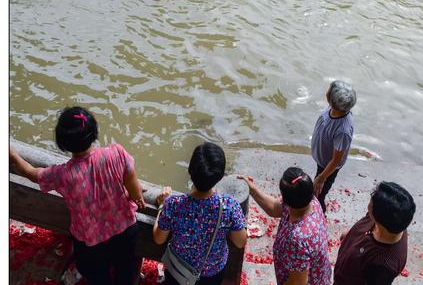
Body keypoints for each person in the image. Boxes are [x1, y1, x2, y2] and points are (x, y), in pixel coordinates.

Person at [9, 106, 145, 285]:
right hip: (124, 229)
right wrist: (137, 197)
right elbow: (131, 181)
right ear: (94, 132)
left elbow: (33, 173)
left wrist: (13, 155)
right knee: (125, 265)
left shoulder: (62, 175)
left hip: (91, 241)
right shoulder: (116, 153)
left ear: (63, 143)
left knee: (94, 271)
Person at [153, 142, 247, 285]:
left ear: (190, 171)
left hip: (178, 271)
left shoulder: (173, 204)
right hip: (212, 273)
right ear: (220, 176)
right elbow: (240, 242)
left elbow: (159, 239)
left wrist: (161, 206)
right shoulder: (229, 206)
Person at [238, 168, 331, 285]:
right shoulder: (309, 201)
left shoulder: (299, 239)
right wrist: (252, 189)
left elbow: (297, 283)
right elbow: (274, 207)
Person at [334, 182, 416, 285]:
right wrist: (351, 234)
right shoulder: (396, 221)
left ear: (379, 219)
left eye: (371, 205)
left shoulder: (383, 266)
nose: (368, 205)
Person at [311, 80, 356, 213]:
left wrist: (321, 178)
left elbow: (336, 160)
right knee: (316, 191)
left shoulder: (343, 130)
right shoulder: (333, 110)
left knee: (318, 195)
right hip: (322, 160)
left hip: (328, 167)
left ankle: (319, 217)